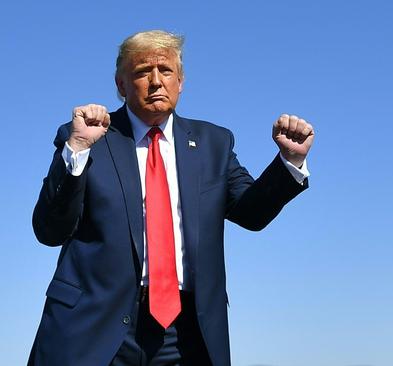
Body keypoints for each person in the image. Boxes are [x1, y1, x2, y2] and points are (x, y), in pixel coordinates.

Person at [29, 30, 314, 366]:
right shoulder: (88, 137)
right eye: (141, 72)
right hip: (95, 325)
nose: (155, 82)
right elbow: (50, 230)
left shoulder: (214, 143)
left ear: (180, 82)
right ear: (120, 86)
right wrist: (75, 151)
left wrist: (288, 162)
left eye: (165, 71)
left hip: (186, 331)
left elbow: (251, 214)